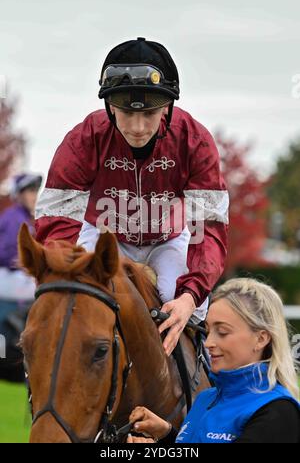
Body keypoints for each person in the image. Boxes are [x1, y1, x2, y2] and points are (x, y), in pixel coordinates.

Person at [34, 37, 229, 355]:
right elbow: (56, 220)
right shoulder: (83, 140)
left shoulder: (195, 141)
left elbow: (207, 229)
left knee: (187, 307)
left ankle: (203, 382)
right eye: (126, 112)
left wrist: (189, 296)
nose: (138, 127)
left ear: (167, 106)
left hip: (169, 239)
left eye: (149, 113)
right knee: (74, 296)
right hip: (105, 236)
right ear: (109, 106)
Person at [127, 278, 300, 444]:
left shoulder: (279, 410)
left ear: (261, 339)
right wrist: (167, 434)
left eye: (223, 332)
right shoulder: (206, 397)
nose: (208, 343)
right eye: (208, 331)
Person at [0, 173, 42, 380]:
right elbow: (6, 253)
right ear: (19, 194)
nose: (35, 195)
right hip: (7, 275)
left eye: (36, 190)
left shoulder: (27, 218)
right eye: (30, 191)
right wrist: (24, 263)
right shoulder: (14, 217)